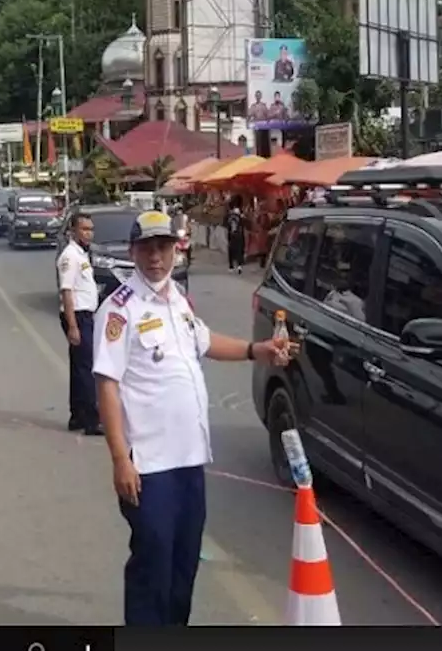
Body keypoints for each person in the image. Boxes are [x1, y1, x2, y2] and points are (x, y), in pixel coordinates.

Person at [92, 211, 297, 626]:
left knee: (184, 564)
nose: (156, 257)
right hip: (148, 465)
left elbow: (205, 342)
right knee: (154, 563)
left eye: (163, 248)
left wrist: (257, 350)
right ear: (133, 252)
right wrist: (119, 459)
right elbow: (107, 384)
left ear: (176, 251)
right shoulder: (118, 310)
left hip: (189, 461)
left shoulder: (177, 301)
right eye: (147, 248)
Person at [59, 213, 101, 436]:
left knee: (78, 368)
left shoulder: (82, 254)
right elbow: (66, 291)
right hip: (77, 316)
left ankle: (77, 416)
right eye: (84, 229)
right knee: (87, 369)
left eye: (90, 229)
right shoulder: (70, 256)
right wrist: (73, 325)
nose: (88, 233)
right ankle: (93, 420)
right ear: (73, 231)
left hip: (84, 315)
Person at [225, 197, 245, 274]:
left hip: (231, 235)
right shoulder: (240, 214)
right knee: (239, 250)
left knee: (231, 249)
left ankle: (231, 266)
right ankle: (239, 266)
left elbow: (226, 224)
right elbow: (243, 223)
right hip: (239, 235)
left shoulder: (229, 215)